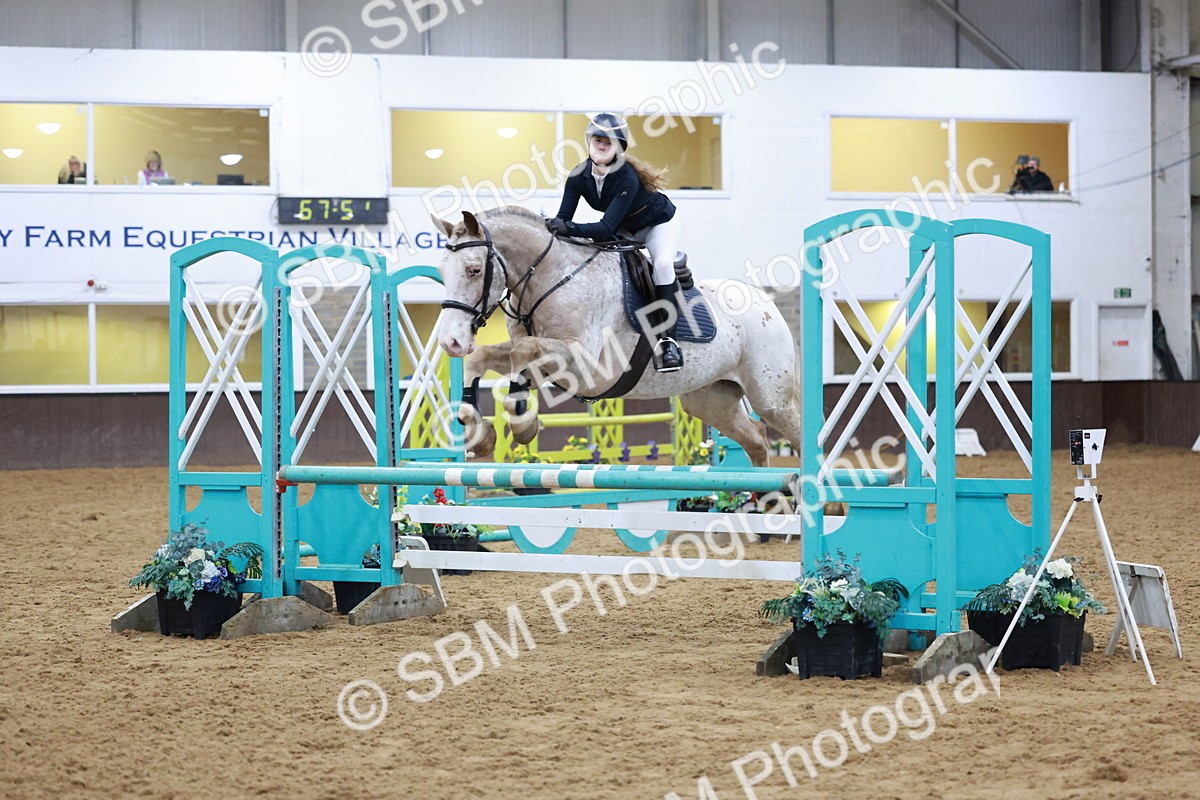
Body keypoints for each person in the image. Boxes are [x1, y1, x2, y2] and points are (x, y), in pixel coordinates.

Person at [548, 113, 684, 373]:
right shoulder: (577, 176)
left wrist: (570, 228)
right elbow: (563, 220)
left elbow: (606, 228)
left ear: (619, 149)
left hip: (658, 224)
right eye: (597, 140)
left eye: (608, 142)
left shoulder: (626, 177)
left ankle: (668, 342)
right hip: (626, 227)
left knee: (663, 264)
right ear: (589, 143)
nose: (601, 145)